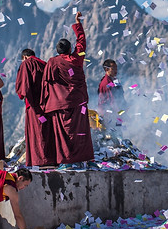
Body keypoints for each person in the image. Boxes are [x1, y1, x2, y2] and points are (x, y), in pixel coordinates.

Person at [41, 11, 95, 168]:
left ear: (58, 51)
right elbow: (82, 42)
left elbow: (47, 82)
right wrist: (77, 24)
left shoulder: (52, 62)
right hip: (78, 101)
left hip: (61, 104)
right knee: (81, 130)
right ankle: (85, 160)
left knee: (63, 134)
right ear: (70, 49)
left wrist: (46, 101)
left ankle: (66, 161)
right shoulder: (76, 59)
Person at [15, 48, 55, 167]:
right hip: (47, 105)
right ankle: (51, 159)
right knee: (47, 132)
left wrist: (21, 95)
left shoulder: (26, 64)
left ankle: (40, 161)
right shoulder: (45, 64)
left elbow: (23, 88)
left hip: (34, 106)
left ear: (25, 57)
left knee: (36, 133)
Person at [97, 59, 125, 129]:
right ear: (107, 69)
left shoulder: (113, 80)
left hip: (115, 112)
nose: (116, 70)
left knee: (119, 132)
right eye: (113, 68)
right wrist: (121, 113)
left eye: (116, 68)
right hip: (109, 115)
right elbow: (112, 101)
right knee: (114, 134)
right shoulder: (106, 83)